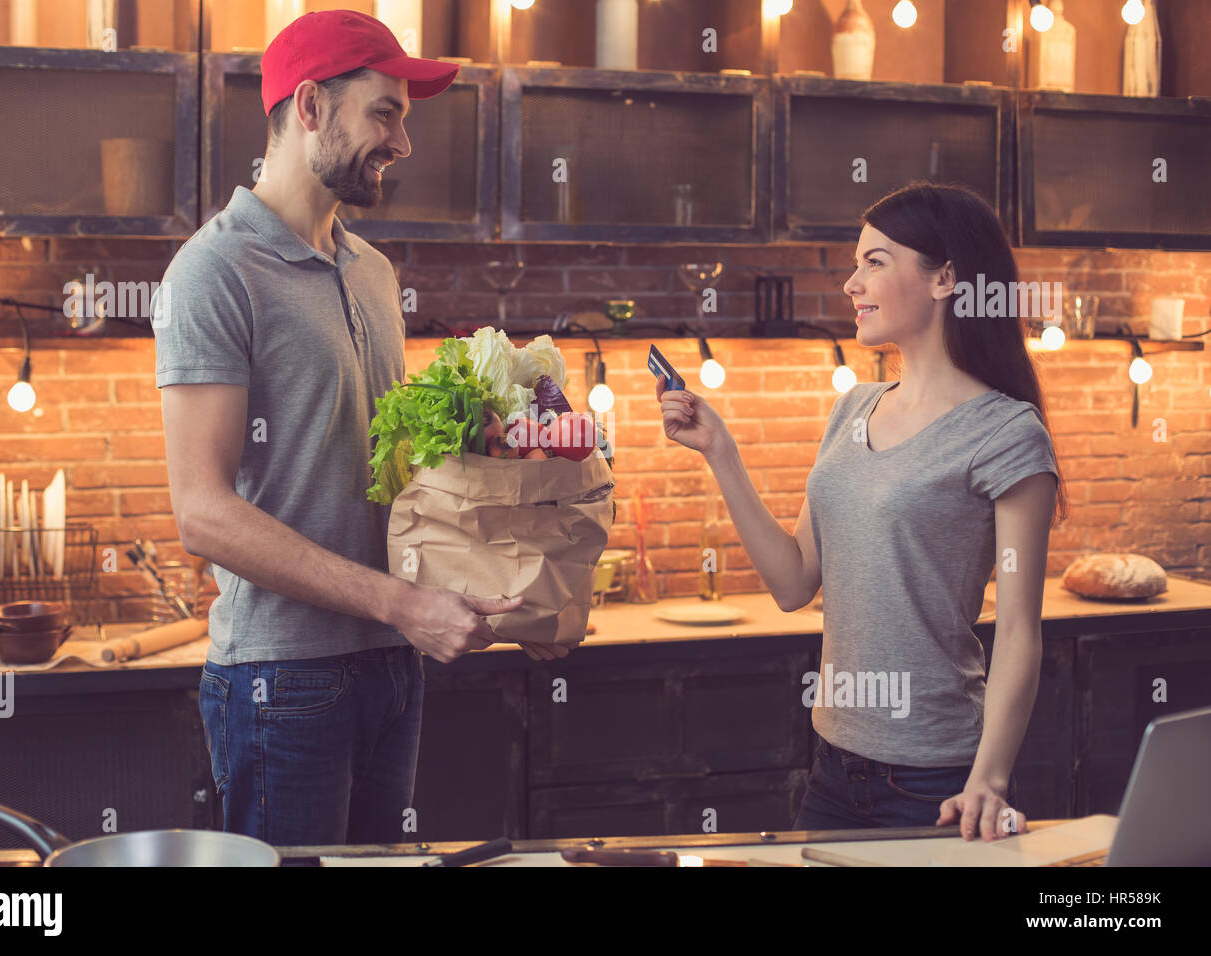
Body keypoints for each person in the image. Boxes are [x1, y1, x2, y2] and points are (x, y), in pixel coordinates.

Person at [152, 10, 563, 848]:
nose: (403, 142)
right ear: (310, 107)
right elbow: (201, 511)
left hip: (392, 663)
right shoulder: (213, 271)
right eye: (386, 112)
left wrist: (516, 592)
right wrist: (401, 604)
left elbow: (397, 478)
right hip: (282, 679)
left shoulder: (371, 270)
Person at [657, 182, 1066, 842]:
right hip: (833, 767)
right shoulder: (853, 409)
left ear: (946, 280)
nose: (852, 283)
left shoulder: (1007, 434)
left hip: (939, 781)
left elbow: (1019, 631)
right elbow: (793, 584)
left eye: (875, 261)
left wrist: (987, 781)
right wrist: (721, 453)